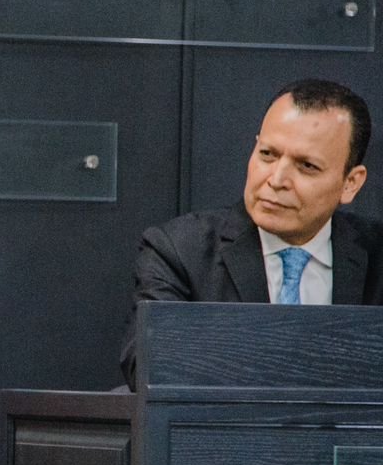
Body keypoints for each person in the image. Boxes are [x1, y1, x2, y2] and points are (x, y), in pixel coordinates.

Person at [121, 78, 383, 386]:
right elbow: (152, 367)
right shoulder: (179, 251)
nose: (277, 180)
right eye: (268, 154)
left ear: (351, 183)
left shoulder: (377, 255)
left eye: (307, 166)